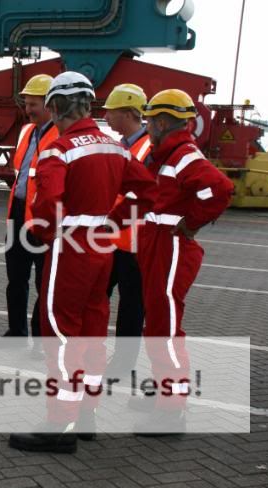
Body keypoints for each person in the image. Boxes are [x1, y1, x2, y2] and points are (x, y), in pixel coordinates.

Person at [7, 72, 157, 454]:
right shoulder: (115, 148)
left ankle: (60, 424)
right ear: (88, 105)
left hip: (70, 248)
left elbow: (47, 204)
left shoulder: (60, 150)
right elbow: (148, 192)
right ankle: (85, 415)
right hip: (102, 249)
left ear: (56, 107)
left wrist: (46, 233)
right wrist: (114, 220)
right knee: (91, 336)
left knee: (59, 335)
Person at [130, 89, 233, 433]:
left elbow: (218, 189)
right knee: (157, 326)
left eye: (148, 120)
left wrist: (189, 224)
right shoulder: (168, 155)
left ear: (161, 121)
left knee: (165, 329)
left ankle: (172, 410)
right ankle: (165, 394)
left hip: (169, 247)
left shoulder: (182, 154)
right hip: (158, 245)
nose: (146, 126)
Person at [0, 74, 58, 358]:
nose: (28, 109)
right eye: (27, 103)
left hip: (43, 219)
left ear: (51, 103)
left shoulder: (61, 135)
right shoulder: (26, 132)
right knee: (15, 279)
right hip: (17, 215)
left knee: (44, 283)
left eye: (34, 104)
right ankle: (16, 331)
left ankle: (41, 341)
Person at [101, 83, 153, 376]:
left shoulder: (147, 148)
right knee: (99, 299)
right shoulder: (122, 146)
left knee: (132, 308)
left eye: (111, 112)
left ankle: (122, 364)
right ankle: (94, 354)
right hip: (111, 240)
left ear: (129, 113)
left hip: (134, 243)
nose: (106, 117)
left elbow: (143, 195)